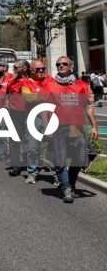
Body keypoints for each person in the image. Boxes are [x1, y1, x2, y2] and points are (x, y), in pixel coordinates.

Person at [44, 56, 98, 202]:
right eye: (58, 64)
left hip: (77, 127)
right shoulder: (49, 85)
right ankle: (66, 188)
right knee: (59, 159)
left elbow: (87, 106)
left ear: (71, 67)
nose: (60, 66)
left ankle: (72, 184)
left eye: (64, 64)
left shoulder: (81, 85)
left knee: (79, 158)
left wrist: (94, 126)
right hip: (57, 127)